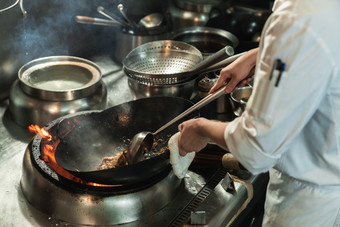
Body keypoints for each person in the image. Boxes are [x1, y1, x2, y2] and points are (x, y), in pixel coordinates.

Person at [175, 0, 340, 226]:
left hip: (308, 204)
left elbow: (256, 147)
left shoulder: (297, 18)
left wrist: (201, 128)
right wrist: (262, 54)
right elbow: (320, 41)